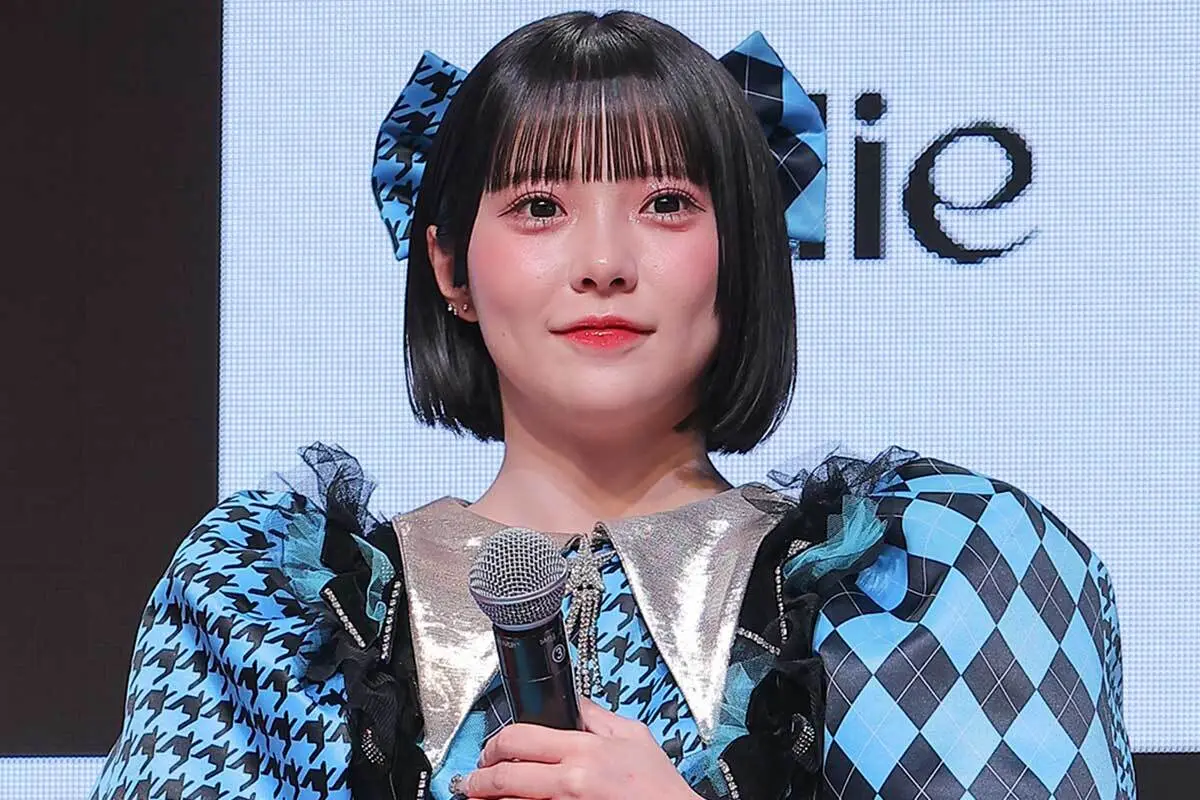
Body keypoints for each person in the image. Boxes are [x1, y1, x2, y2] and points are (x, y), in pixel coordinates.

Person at [90, 10, 1136, 800]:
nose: (602, 261)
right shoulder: (272, 618)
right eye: (539, 206)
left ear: (744, 253)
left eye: (666, 203)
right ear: (451, 267)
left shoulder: (942, 582)